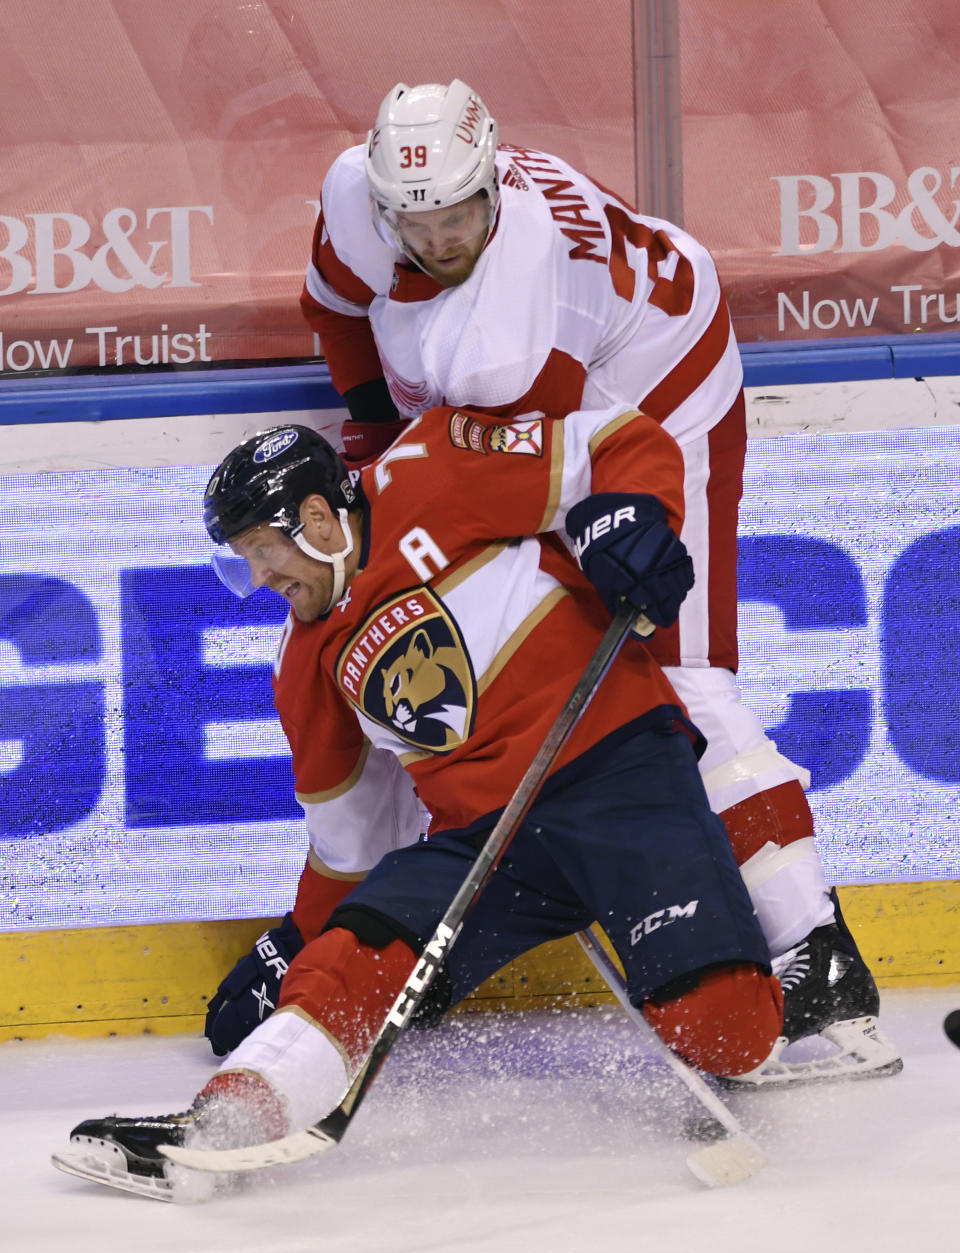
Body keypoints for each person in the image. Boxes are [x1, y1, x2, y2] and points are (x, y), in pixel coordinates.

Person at [289, 77, 900, 1084]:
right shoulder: (358, 197)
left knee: (683, 677)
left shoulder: (513, 325)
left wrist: (620, 533)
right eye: (417, 218)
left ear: (493, 181)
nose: (438, 237)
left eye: (458, 213)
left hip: (655, 385)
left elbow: (556, 470)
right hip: (568, 380)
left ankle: (817, 957)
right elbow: (335, 306)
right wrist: (369, 435)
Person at [52, 411, 783, 1199]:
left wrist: (630, 510)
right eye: (246, 564)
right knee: (352, 954)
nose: (261, 580)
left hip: (622, 775)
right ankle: (220, 1124)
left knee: (728, 1029)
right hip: (489, 845)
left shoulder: (435, 464)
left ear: (318, 518)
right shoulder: (304, 664)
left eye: (263, 554)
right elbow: (350, 841)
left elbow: (617, 440)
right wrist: (303, 942)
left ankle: (725, 951)